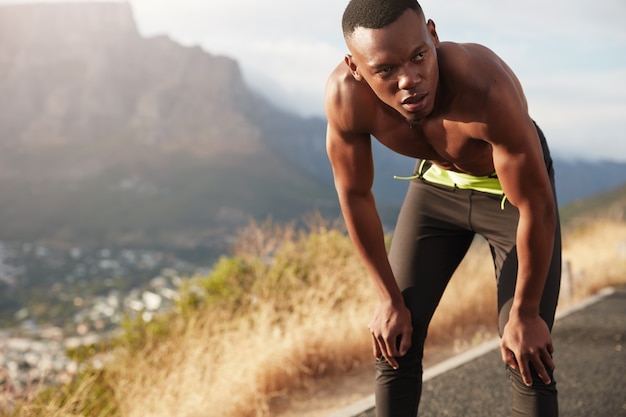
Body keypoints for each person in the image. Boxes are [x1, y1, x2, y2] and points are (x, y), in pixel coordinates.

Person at [324, 0, 562, 416]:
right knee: (394, 340)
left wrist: (524, 313)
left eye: (419, 56)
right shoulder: (346, 98)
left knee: (526, 351)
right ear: (356, 67)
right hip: (435, 189)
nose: (409, 80)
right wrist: (388, 299)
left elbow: (536, 208)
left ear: (433, 34)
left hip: (511, 199)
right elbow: (355, 195)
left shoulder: (485, 88)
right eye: (386, 70)